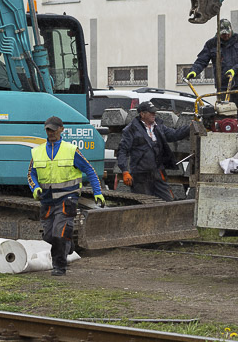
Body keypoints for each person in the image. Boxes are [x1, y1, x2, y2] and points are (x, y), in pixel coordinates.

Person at [28, 115, 104, 276]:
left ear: (61, 130)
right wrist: (35, 188)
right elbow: (31, 174)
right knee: (49, 235)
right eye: (48, 129)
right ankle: (68, 245)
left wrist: (98, 192)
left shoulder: (71, 150)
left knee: (58, 233)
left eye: (54, 129)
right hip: (47, 199)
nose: (51, 132)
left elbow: (90, 170)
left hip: (67, 198)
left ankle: (59, 267)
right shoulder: (37, 151)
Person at [116, 101, 192, 201]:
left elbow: (174, 134)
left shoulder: (158, 126)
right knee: (144, 204)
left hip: (157, 173)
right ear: (142, 114)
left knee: (168, 201)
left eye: (154, 112)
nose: (154, 114)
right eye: (151, 112)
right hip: (140, 176)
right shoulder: (131, 130)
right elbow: (122, 151)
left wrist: (190, 128)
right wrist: (125, 171)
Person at [186, 18, 238, 119]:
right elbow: (201, 61)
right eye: (223, 34)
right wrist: (193, 71)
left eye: (227, 33)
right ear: (218, 32)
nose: (225, 35)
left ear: (231, 30)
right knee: (224, 114)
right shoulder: (211, 44)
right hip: (223, 86)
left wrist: (235, 70)